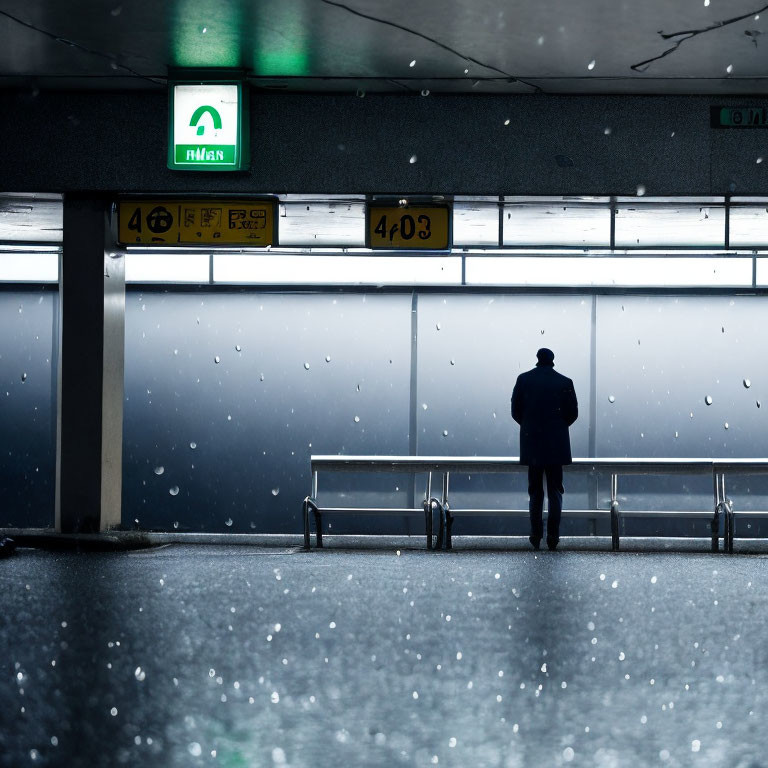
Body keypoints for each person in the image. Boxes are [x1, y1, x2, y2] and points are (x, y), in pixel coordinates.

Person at [511, 348, 578, 551]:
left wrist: (530, 426)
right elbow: (572, 413)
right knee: (555, 491)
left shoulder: (524, 380)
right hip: (556, 446)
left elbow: (515, 411)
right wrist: (557, 427)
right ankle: (553, 536)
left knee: (535, 491)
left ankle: (535, 534)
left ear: (538, 359)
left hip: (533, 445)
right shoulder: (565, 382)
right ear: (552, 360)